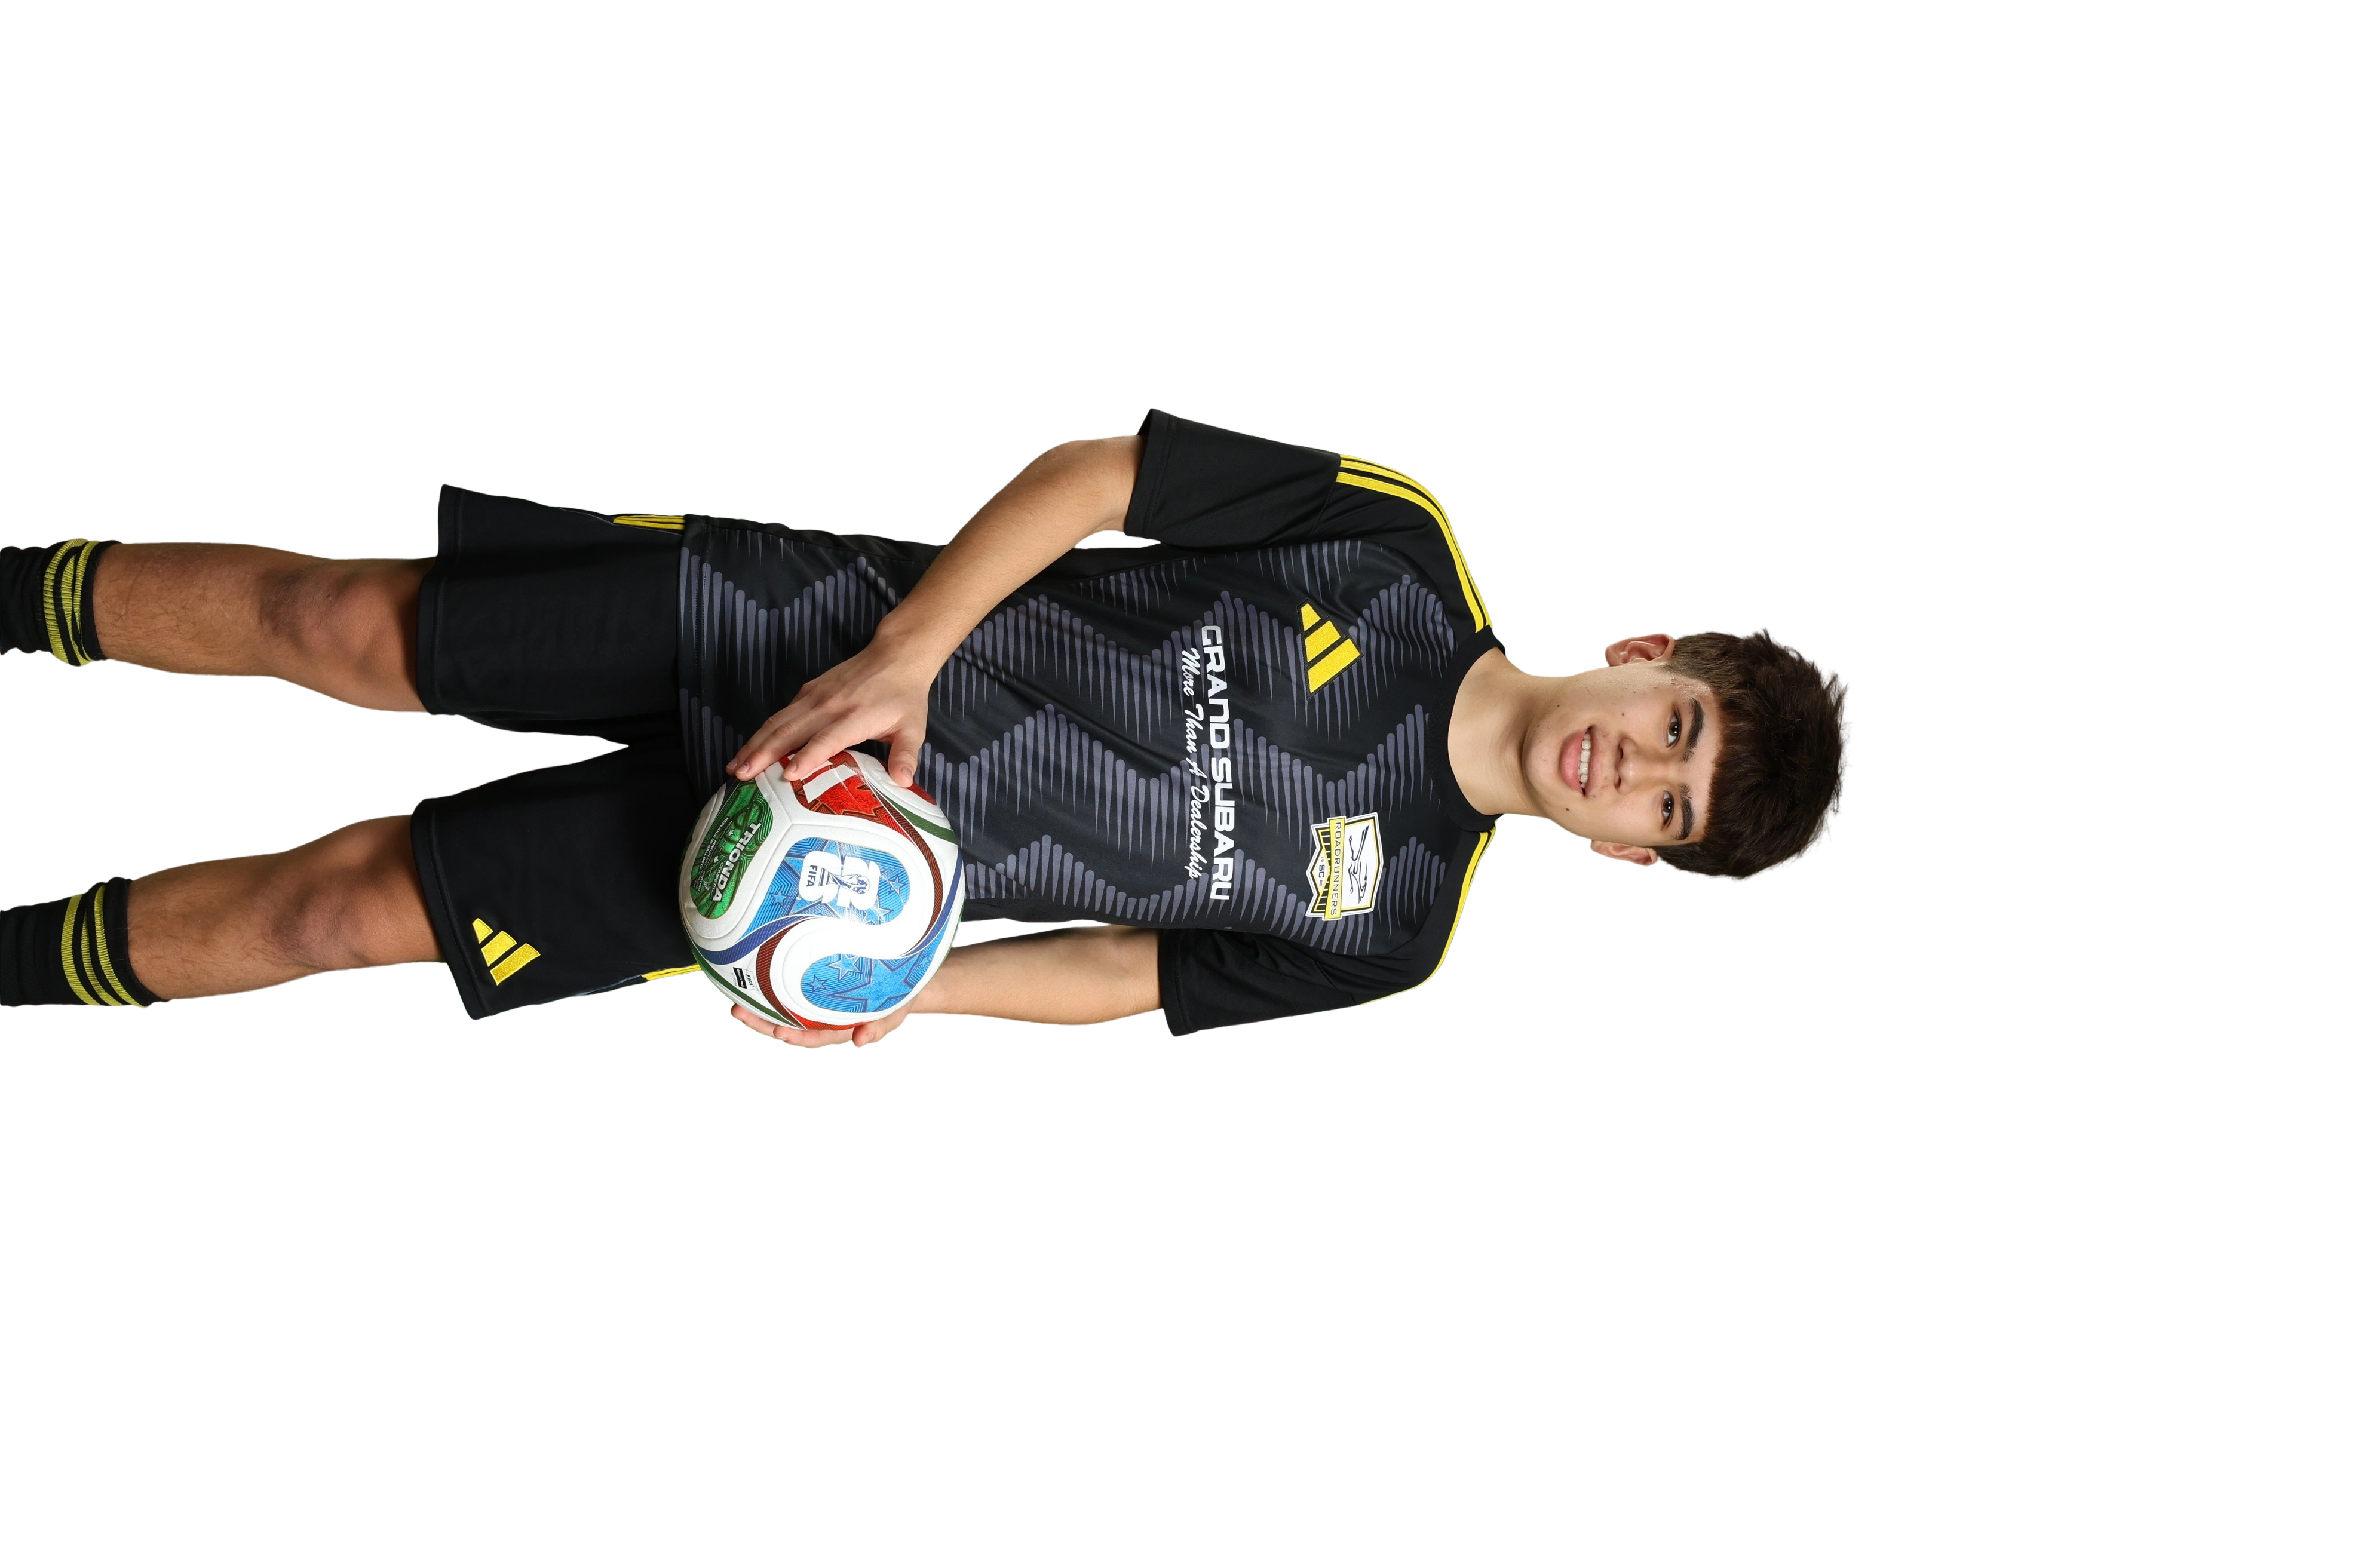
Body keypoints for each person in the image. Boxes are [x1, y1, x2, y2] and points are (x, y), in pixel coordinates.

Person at [0, 412, 1851, 1043]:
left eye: (1670, 810)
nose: (1637, 768)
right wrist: (903, 658)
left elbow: (1125, 974)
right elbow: (1102, 474)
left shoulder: (1399, 931)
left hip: (787, 870)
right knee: (344, 625)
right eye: (1675, 722)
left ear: (1638, 856)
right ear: (1646, 651)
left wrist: (898, 991)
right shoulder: (1397, 550)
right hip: (783, 628)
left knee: (343, 912)